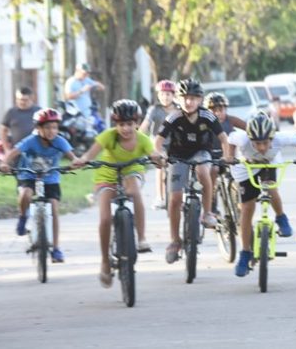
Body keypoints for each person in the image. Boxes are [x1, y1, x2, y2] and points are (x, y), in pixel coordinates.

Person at [73, 100, 163, 288]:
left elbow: (153, 151)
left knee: (134, 191)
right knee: (105, 218)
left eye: (130, 124)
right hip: (107, 173)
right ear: (115, 124)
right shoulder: (108, 136)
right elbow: (91, 154)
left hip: (131, 170)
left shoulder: (142, 139)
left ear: (136, 123)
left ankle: (142, 238)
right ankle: (105, 261)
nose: (126, 129)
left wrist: (157, 157)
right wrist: (83, 160)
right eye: (121, 124)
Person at [154, 78, 231, 264]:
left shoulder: (208, 116)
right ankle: (174, 240)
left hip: (200, 152)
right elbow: (158, 140)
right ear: (179, 99)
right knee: (174, 198)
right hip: (177, 155)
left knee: (204, 171)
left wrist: (227, 156)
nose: (189, 102)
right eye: (185, 98)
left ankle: (207, 213)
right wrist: (160, 154)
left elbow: (223, 139)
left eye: (193, 98)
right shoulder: (173, 116)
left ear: (200, 100)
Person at [227, 113, 296, 277]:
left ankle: (281, 217)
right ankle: (245, 252)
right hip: (246, 166)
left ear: (272, 138)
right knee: (247, 209)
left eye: (266, 142)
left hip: (269, 163)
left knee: (271, 189)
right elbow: (230, 140)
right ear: (250, 140)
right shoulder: (242, 139)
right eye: (257, 143)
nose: (262, 147)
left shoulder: (280, 138)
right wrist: (229, 156)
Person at [0, 108, 78, 262]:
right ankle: (23, 217)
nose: (51, 131)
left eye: (54, 127)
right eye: (47, 127)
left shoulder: (60, 141)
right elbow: (12, 153)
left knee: (54, 208)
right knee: (25, 194)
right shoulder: (31, 141)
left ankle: (56, 249)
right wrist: (4, 163)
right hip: (28, 175)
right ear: (38, 128)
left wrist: (75, 162)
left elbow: (72, 157)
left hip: (50, 178)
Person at [139, 80, 180, 209]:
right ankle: (160, 196)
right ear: (158, 95)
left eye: (168, 94)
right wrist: (138, 136)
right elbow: (145, 125)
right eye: (162, 94)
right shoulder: (154, 109)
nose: (165, 97)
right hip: (158, 143)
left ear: (174, 96)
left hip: (175, 143)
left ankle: (181, 195)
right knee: (160, 166)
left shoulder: (179, 109)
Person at [0, 87, 41, 152]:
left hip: (36, 150)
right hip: (16, 151)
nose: (21, 102)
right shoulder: (11, 112)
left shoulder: (39, 111)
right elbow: (3, 131)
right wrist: (6, 149)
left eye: (24, 100)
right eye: (18, 99)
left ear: (31, 98)